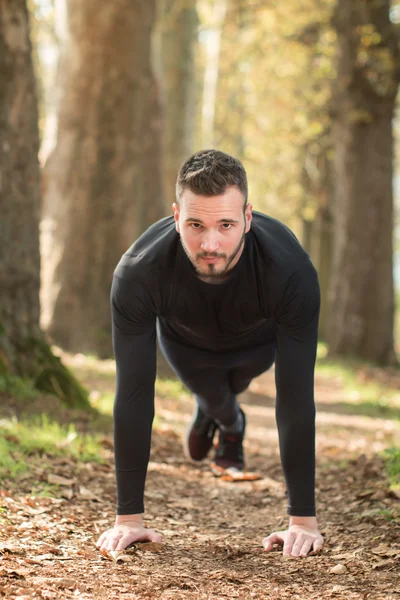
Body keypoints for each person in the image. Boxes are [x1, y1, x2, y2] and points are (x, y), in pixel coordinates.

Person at [96, 149, 324, 558]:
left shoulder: (290, 271)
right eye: (195, 224)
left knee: (232, 384)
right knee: (215, 394)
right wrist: (128, 519)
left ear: (248, 219)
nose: (210, 243)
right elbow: (132, 393)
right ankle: (229, 422)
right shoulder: (138, 271)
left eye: (226, 224)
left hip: (258, 345)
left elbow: (294, 396)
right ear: (175, 216)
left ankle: (222, 415)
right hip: (188, 347)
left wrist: (302, 521)